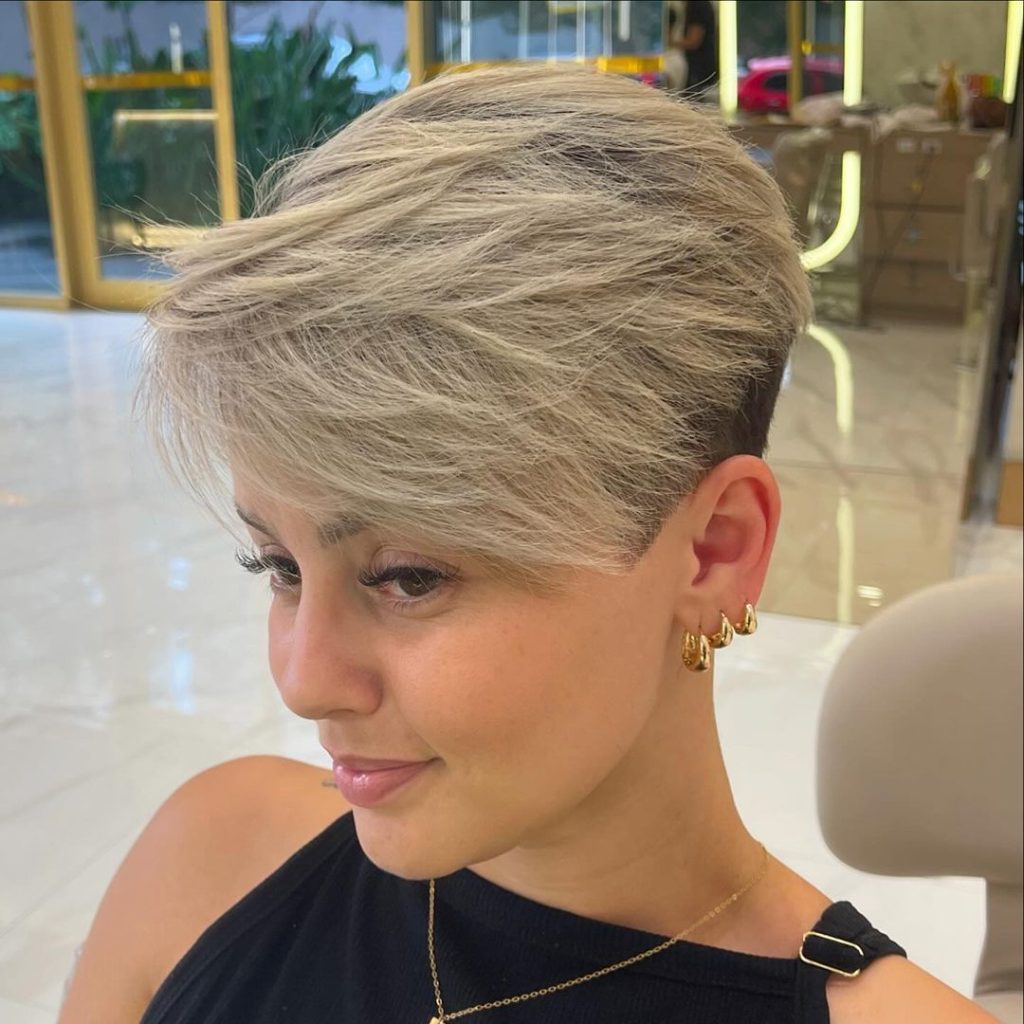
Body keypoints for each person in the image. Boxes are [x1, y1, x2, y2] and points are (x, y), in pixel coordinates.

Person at [59, 64, 993, 1024]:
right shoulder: (211, 862)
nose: (304, 681)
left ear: (714, 550)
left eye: (408, 578)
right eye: (280, 568)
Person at [677, 0, 719, 97]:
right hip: (700, 66)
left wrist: (668, 43)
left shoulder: (697, 4)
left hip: (698, 68)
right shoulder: (698, 4)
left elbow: (693, 42)